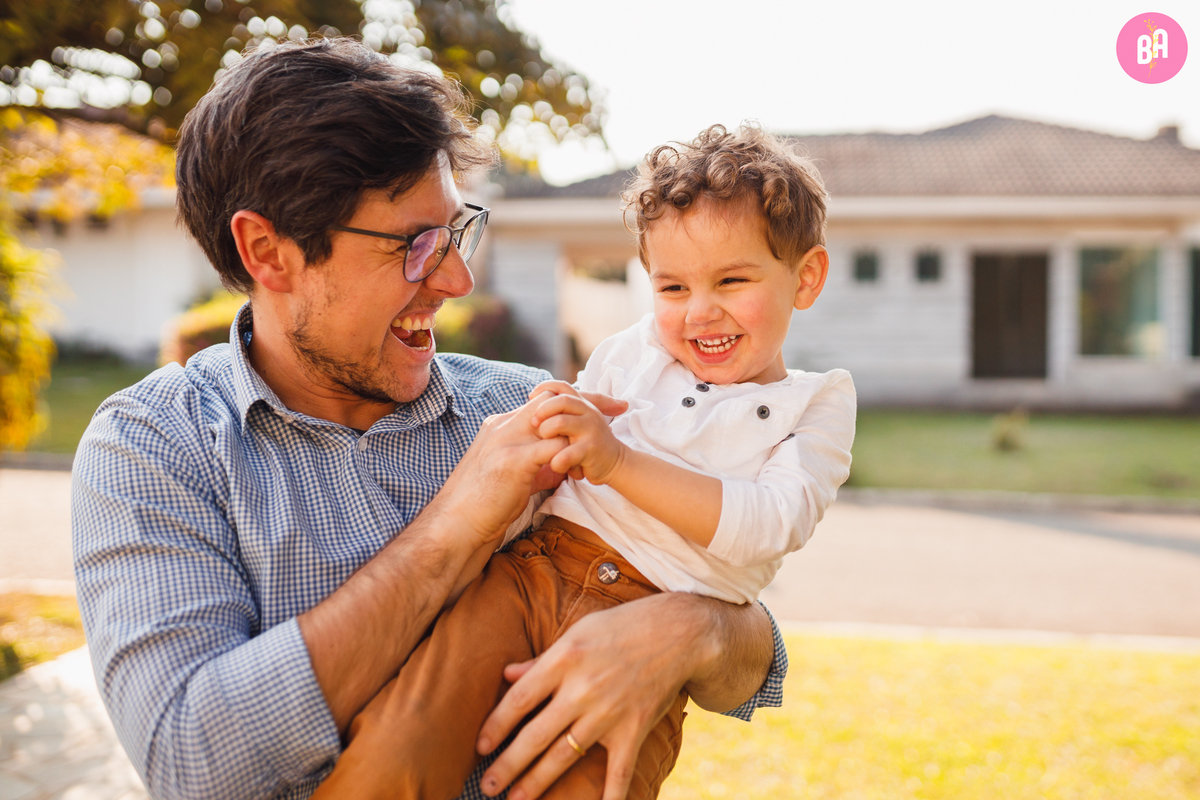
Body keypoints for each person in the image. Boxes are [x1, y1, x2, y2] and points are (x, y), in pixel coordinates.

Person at [70, 39, 787, 800]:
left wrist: (691, 632)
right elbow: (191, 764)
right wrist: (453, 528)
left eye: (455, 231)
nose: (456, 277)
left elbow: (753, 654)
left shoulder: (524, 406)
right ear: (267, 252)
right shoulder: (155, 448)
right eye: (413, 245)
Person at [313, 125, 856, 800]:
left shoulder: (816, 403)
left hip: (647, 626)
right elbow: (565, 470)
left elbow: (770, 526)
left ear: (805, 278)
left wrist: (616, 460)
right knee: (403, 738)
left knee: (593, 785)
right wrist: (552, 434)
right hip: (527, 579)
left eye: (733, 279)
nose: (700, 312)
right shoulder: (635, 353)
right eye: (673, 288)